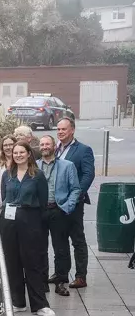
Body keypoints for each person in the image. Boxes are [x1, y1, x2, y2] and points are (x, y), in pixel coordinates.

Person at [1, 141, 55, 316]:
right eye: (15, 152)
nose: (18, 155)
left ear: (28, 153)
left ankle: (39, 304)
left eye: (21, 152)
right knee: (12, 262)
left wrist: (38, 227)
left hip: (30, 221)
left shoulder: (37, 175)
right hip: (9, 223)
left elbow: (43, 203)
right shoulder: (7, 174)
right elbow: (4, 197)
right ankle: (18, 301)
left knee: (32, 263)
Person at [38, 134, 82, 297]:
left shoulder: (67, 165)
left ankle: (61, 281)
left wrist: (68, 207)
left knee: (61, 248)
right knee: (40, 248)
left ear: (54, 146)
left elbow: (75, 188)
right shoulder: (34, 166)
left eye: (47, 144)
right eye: (42, 144)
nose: (44, 147)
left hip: (59, 210)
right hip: (40, 212)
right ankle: (42, 282)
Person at [55, 117, 95, 288]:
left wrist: (77, 194)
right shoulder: (55, 149)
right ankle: (61, 273)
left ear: (72, 130)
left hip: (74, 204)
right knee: (59, 241)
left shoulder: (83, 150)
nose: (60, 132)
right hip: (56, 203)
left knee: (77, 240)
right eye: (58, 129)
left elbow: (88, 174)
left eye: (63, 129)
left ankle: (81, 276)